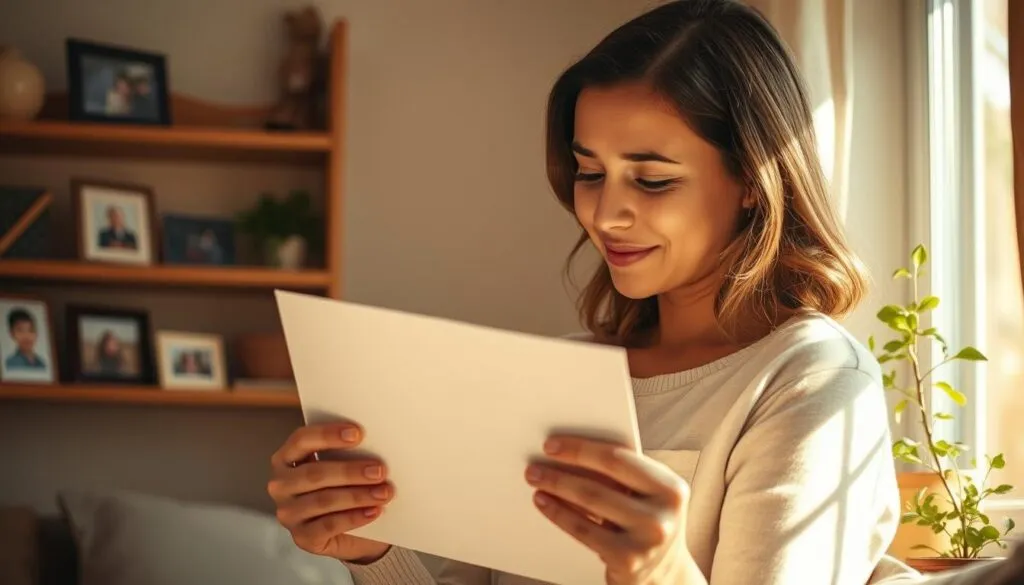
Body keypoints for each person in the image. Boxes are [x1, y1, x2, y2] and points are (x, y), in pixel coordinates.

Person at [267, 1, 1013, 584]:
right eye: (589, 171)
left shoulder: (808, 377)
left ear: (753, 184)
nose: (604, 211)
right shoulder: (556, 372)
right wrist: (369, 552)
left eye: (652, 179)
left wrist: (658, 570)